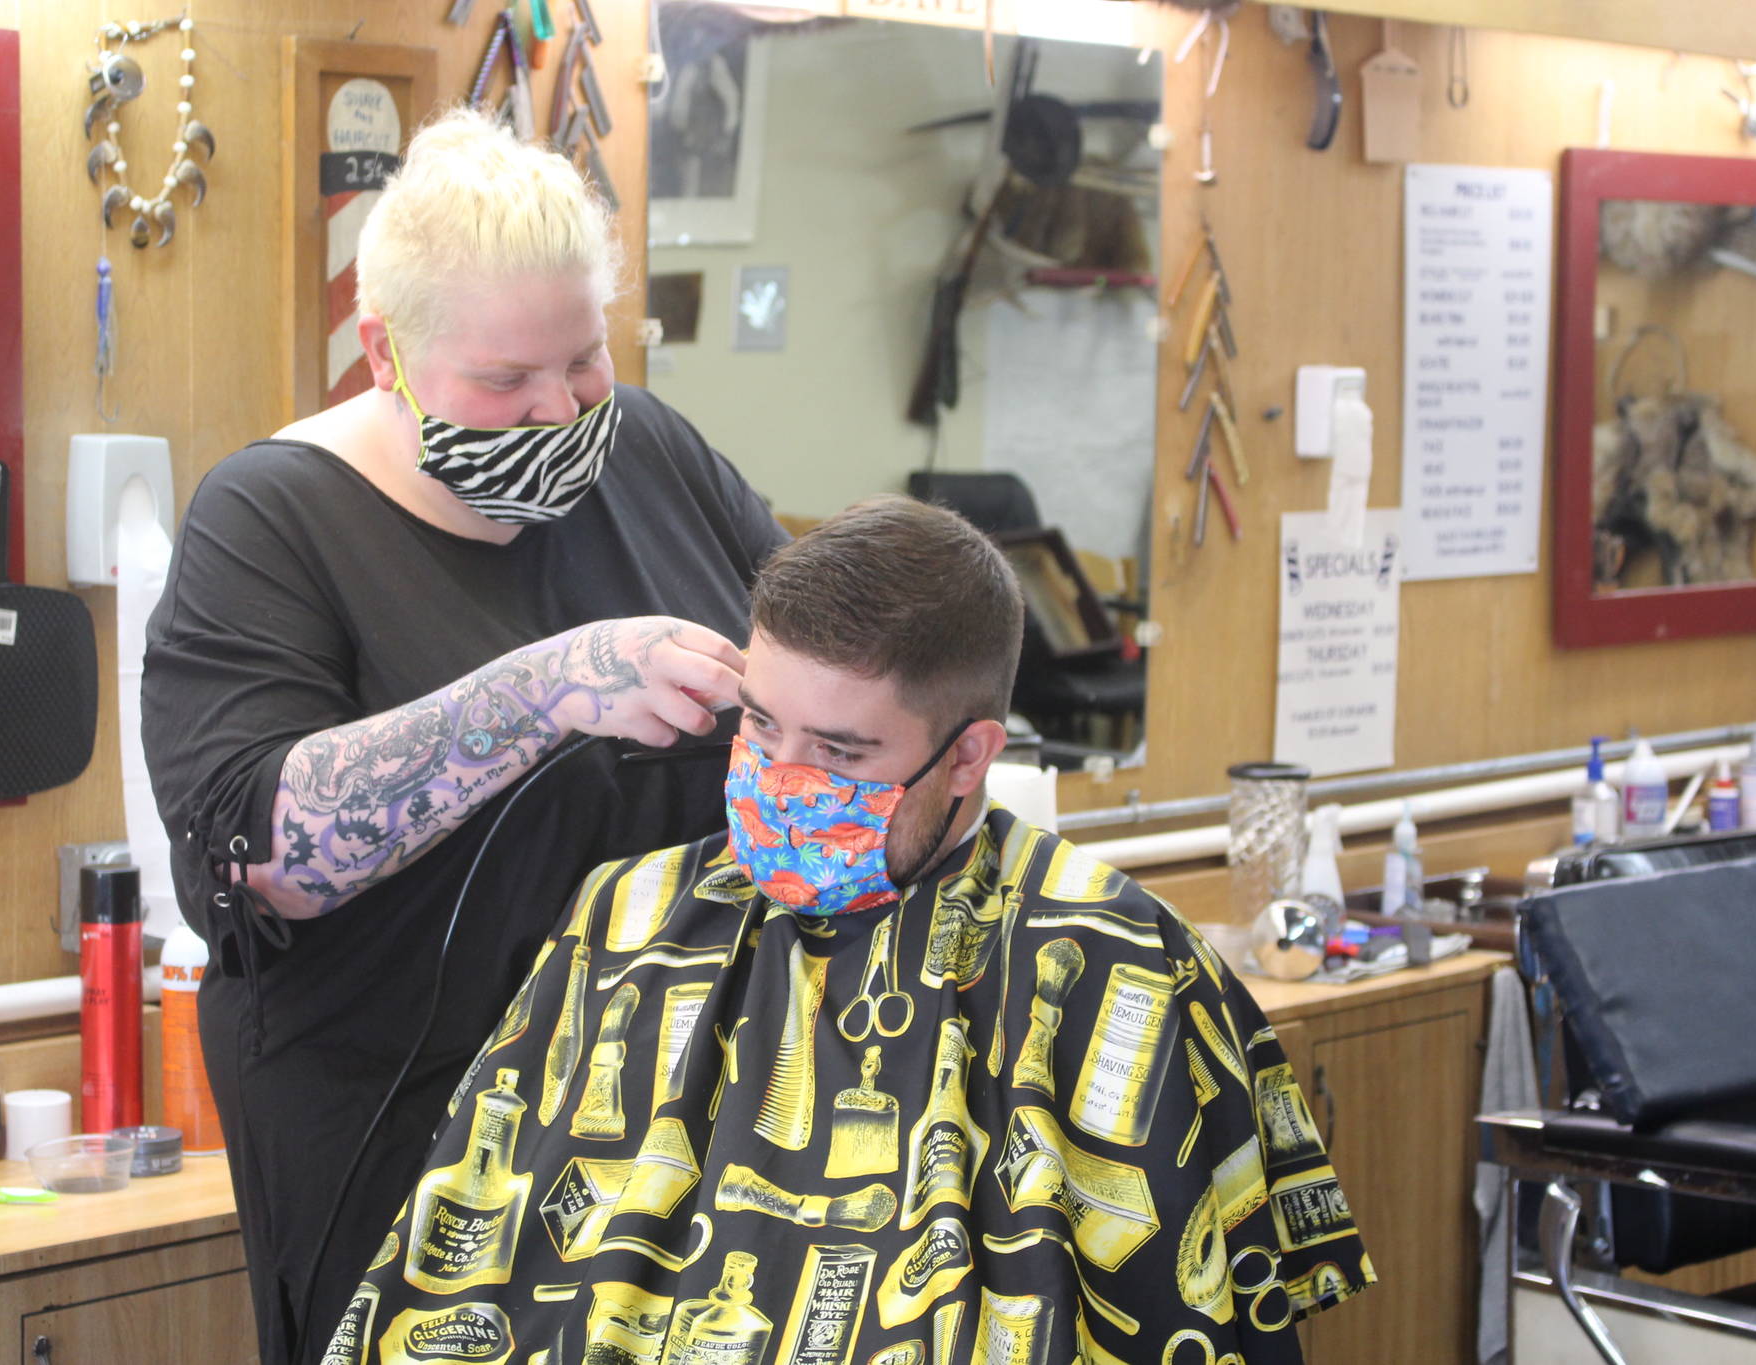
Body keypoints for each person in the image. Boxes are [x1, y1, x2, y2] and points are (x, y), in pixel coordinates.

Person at [331, 497, 1373, 1364]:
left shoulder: (1105, 959)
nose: (783, 782)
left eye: (838, 752)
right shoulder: (632, 915)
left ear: (967, 758)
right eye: (757, 724)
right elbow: (464, 1280)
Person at [141, 107, 786, 1365]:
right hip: (409, 1124)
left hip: (686, 1105)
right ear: (382, 350)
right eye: (503, 381)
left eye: (583, 363)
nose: (557, 412)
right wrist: (542, 691)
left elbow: (812, 656)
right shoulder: (269, 519)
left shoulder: (648, 449)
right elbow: (260, 848)